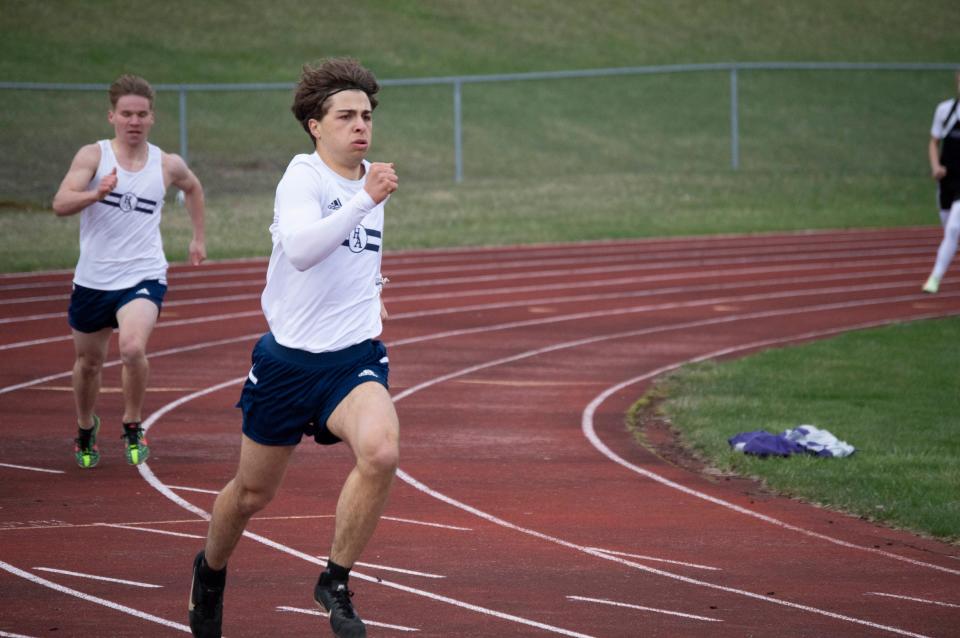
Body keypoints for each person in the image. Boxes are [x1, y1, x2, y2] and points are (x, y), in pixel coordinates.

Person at [188, 58, 399, 638]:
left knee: (380, 451)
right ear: (315, 124)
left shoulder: (371, 184)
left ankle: (334, 579)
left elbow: (355, 255)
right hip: (286, 364)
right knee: (253, 492)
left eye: (366, 115)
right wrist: (365, 201)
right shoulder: (303, 177)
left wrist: (373, 291)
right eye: (346, 116)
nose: (360, 125)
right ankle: (210, 571)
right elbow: (304, 251)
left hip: (351, 359)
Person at [53, 74, 206, 468]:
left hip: (144, 273)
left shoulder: (167, 164)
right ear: (112, 116)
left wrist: (197, 237)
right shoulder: (93, 157)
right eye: (126, 114)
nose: (134, 121)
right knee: (88, 363)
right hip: (93, 278)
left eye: (141, 114)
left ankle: (132, 422)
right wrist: (96, 194)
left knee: (132, 347)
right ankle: (86, 426)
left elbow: (193, 188)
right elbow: (60, 203)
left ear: (152, 118)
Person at [922, 69, 960, 294]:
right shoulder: (945, 111)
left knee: (954, 228)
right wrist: (936, 167)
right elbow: (933, 142)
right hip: (947, 180)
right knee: (950, 230)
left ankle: (934, 279)